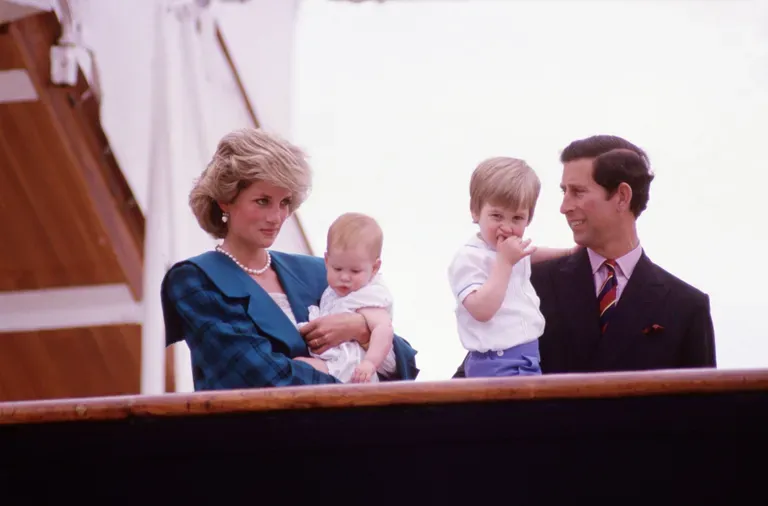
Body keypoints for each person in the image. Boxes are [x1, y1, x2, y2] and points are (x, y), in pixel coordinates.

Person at [160, 127, 419, 390]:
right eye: (262, 201)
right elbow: (262, 378)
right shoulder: (195, 279)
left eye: (284, 202)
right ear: (225, 200)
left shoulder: (319, 271)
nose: (276, 217)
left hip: (344, 426)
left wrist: (361, 330)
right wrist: (349, 380)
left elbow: (404, 366)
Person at [453, 135, 715, 377]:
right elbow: (476, 380)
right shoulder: (526, 280)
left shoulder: (687, 309)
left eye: (577, 192)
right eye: (563, 191)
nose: (564, 207)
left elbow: (704, 418)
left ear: (622, 197)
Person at [447, 157, 578, 378]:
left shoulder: (508, 252)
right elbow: (481, 310)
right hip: (496, 363)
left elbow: (531, 253)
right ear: (475, 211)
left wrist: (568, 253)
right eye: (497, 216)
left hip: (527, 357)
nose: (507, 227)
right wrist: (505, 263)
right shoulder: (469, 258)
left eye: (517, 218)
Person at [295, 212, 395, 383]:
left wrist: (369, 363)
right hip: (334, 358)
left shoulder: (368, 295)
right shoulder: (333, 291)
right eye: (337, 269)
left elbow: (383, 329)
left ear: (375, 267)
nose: (345, 277)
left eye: (355, 271)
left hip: (352, 365)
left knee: (298, 367)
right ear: (326, 261)